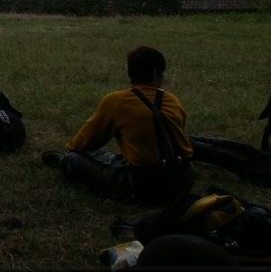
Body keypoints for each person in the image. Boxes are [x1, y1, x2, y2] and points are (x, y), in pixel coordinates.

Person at [42, 46, 194, 204]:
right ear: (157, 73)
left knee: (73, 158)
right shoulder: (172, 100)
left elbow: (84, 141)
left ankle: (62, 161)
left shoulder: (116, 101)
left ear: (130, 71)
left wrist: (70, 150)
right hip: (184, 181)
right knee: (114, 159)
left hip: (142, 187)